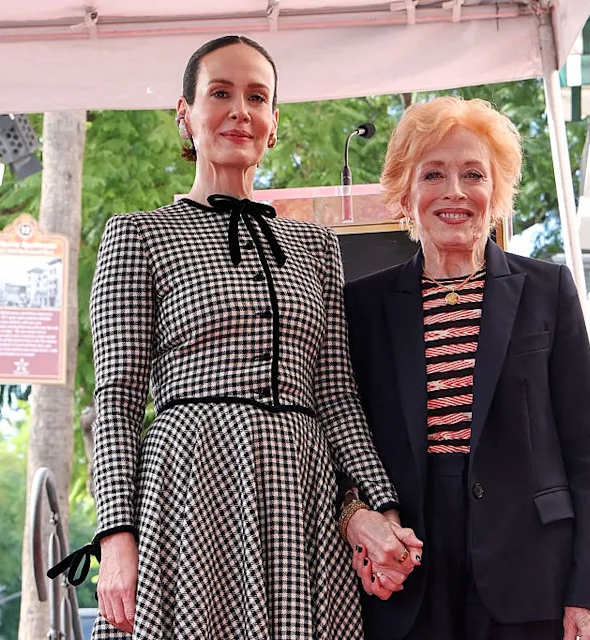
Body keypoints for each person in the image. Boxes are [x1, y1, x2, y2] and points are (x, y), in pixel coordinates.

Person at [51, 34, 420, 639]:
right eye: (220, 93)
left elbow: (338, 399)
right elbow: (116, 402)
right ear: (186, 114)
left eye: (257, 97)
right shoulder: (138, 235)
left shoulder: (317, 248)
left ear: (274, 124)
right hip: (188, 493)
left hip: (298, 501)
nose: (239, 111)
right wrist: (117, 538)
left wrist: (382, 508)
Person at [340, 96, 590, 640]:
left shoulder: (547, 291)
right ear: (405, 192)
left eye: (473, 174)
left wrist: (586, 594)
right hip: (409, 569)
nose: (454, 192)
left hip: (531, 569)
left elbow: (588, 452)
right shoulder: (362, 306)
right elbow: (347, 436)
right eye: (433, 174)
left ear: (497, 191)